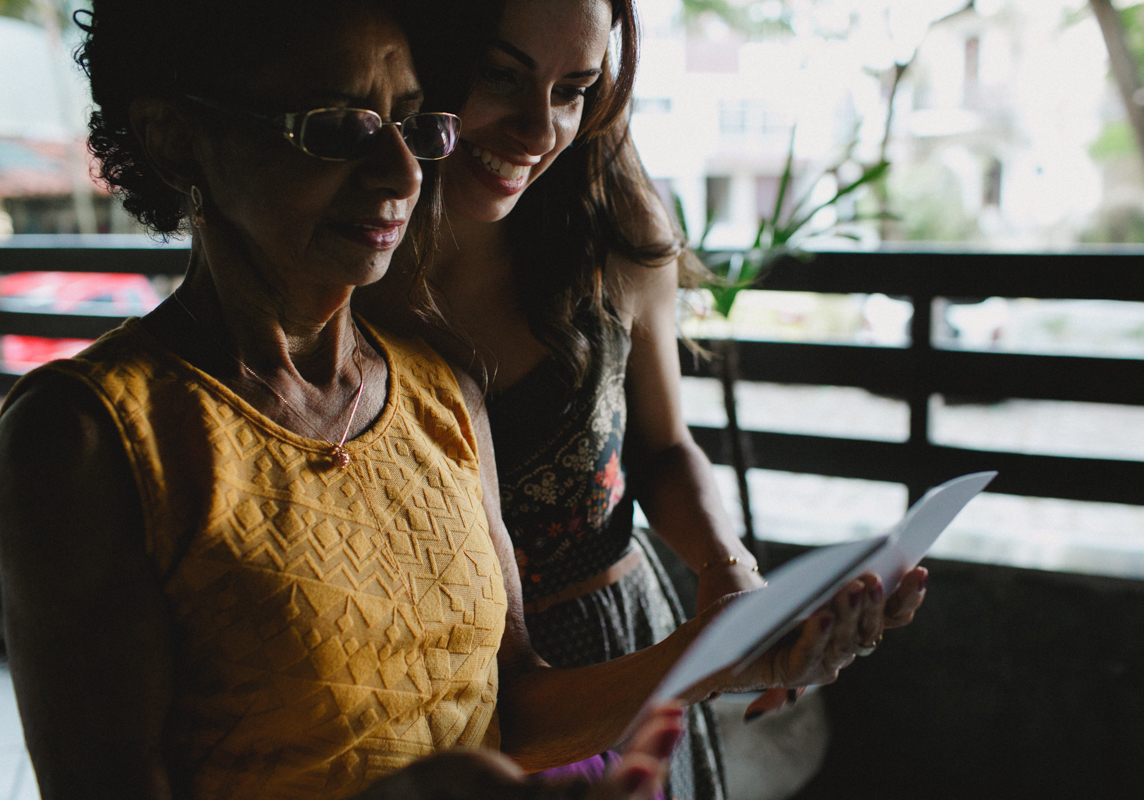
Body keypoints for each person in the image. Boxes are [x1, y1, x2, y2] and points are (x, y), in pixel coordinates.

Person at [0, 1, 920, 799]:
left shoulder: (440, 391)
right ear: (172, 137)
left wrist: (736, 649)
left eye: (414, 126)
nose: (403, 175)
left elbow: (512, 707)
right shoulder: (89, 441)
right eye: (337, 128)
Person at [357, 1, 930, 798]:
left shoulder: (606, 220)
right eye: (501, 76)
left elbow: (661, 449)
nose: (538, 131)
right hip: (414, 691)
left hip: (619, 642)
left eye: (573, 90)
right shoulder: (338, 251)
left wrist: (730, 576)